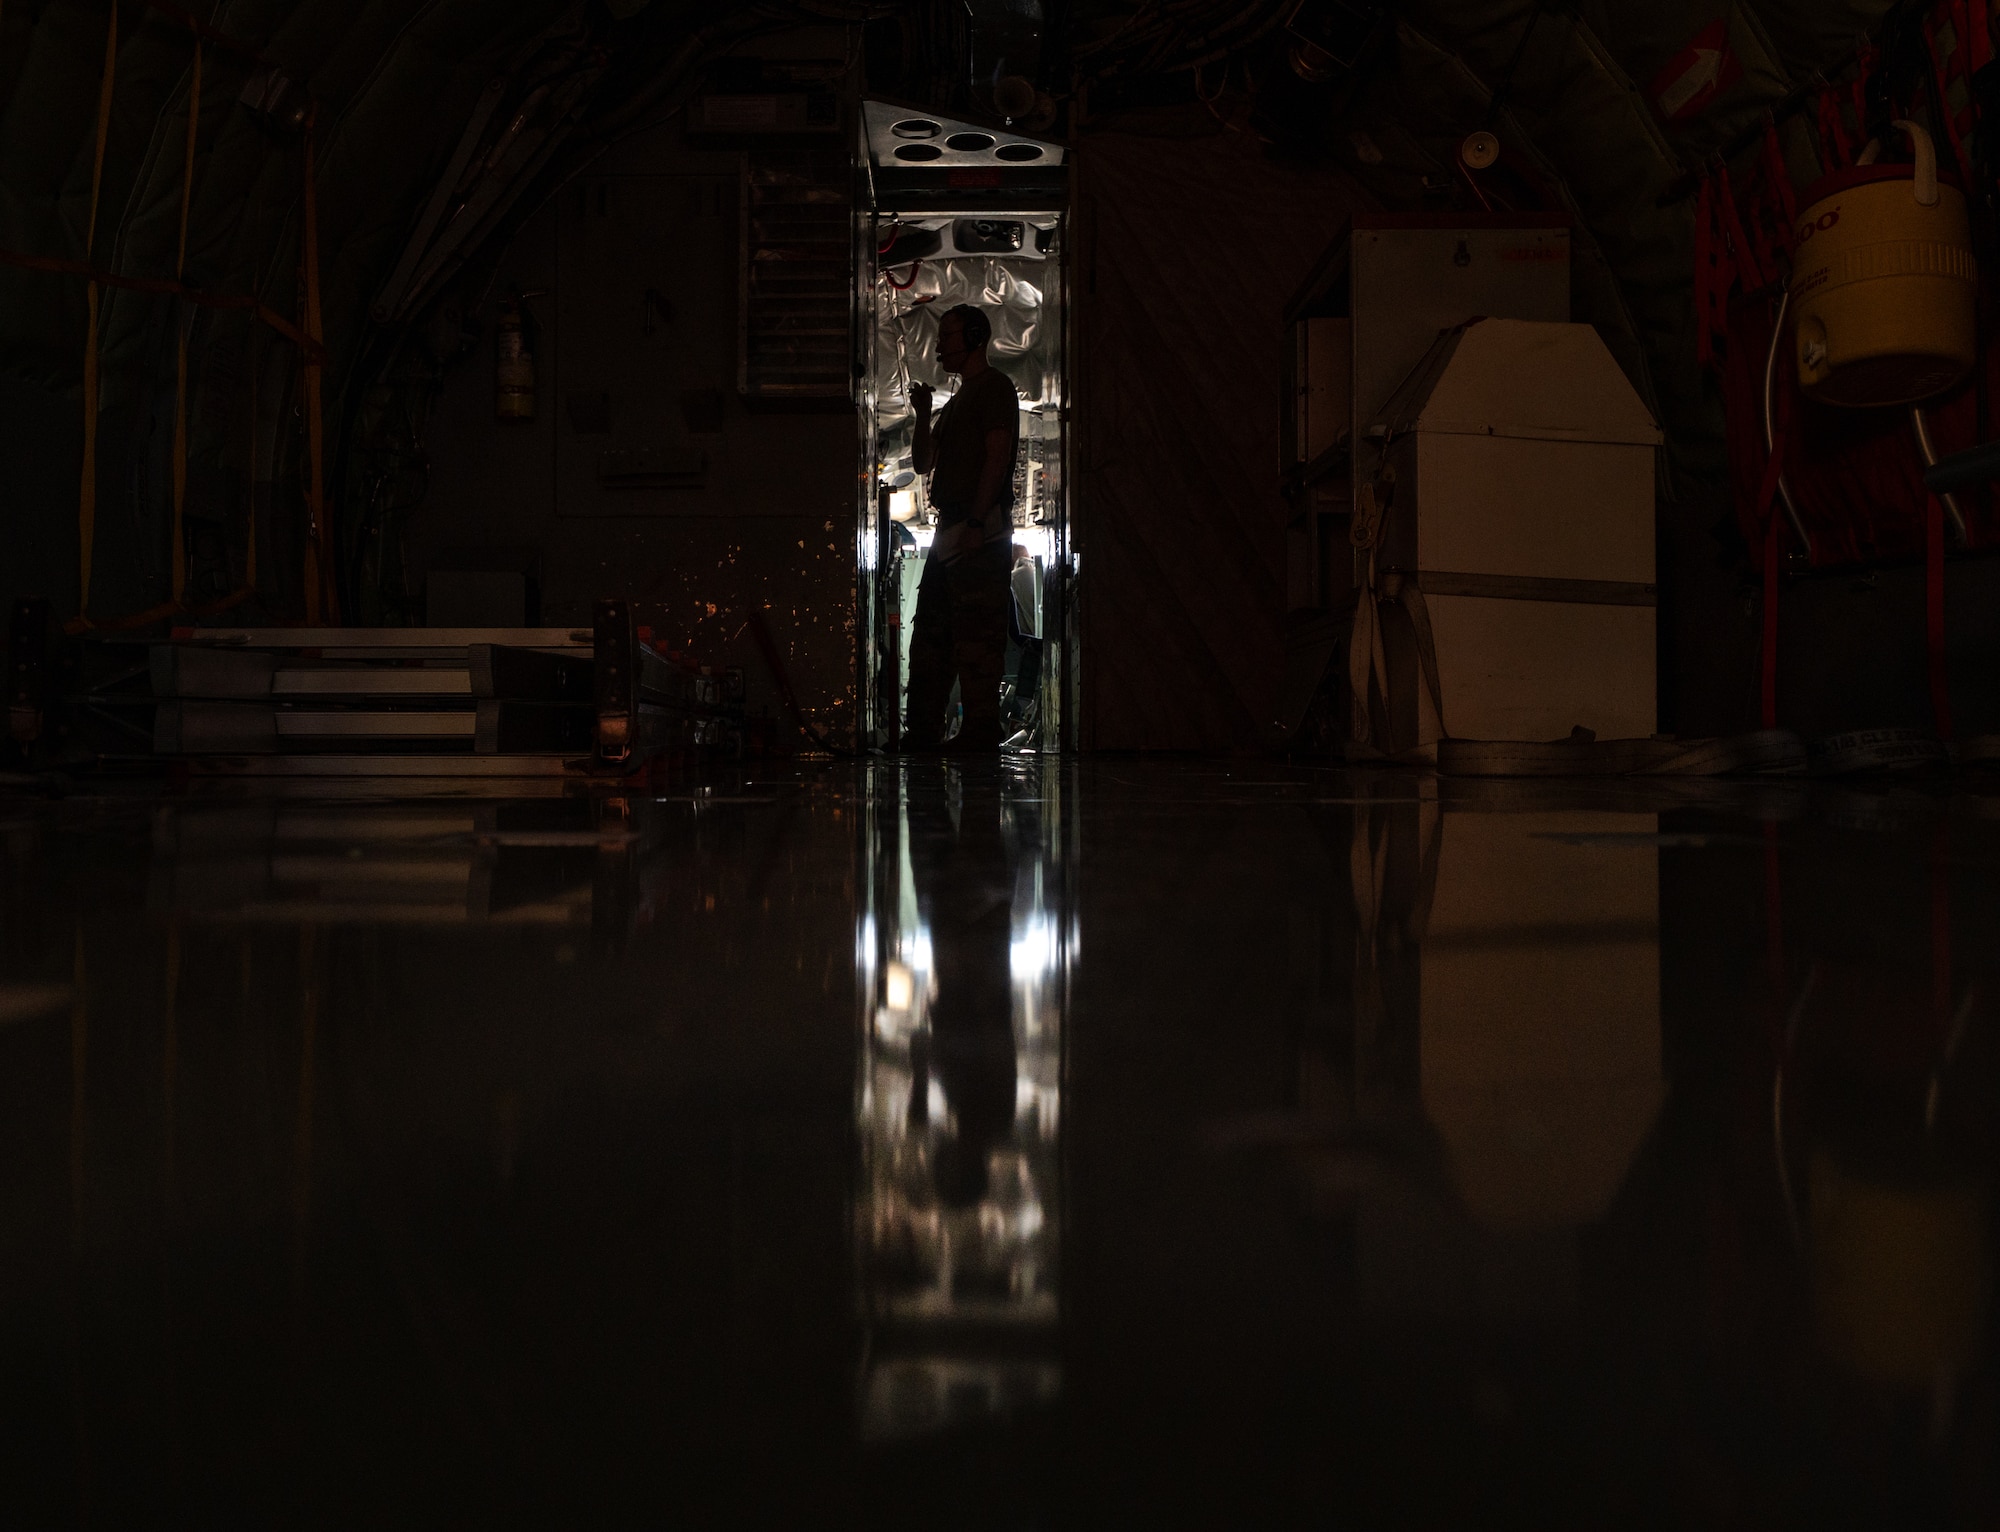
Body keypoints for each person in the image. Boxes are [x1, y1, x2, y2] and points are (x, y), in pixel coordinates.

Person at [905, 304, 1019, 751]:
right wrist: (922, 412)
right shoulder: (956, 403)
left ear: (974, 337)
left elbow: (997, 455)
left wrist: (976, 520)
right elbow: (921, 462)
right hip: (951, 532)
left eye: (948, 336)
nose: (940, 345)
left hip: (977, 531)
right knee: (933, 634)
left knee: (976, 637)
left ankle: (978, 732)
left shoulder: (995, 388)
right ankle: (924, 734)